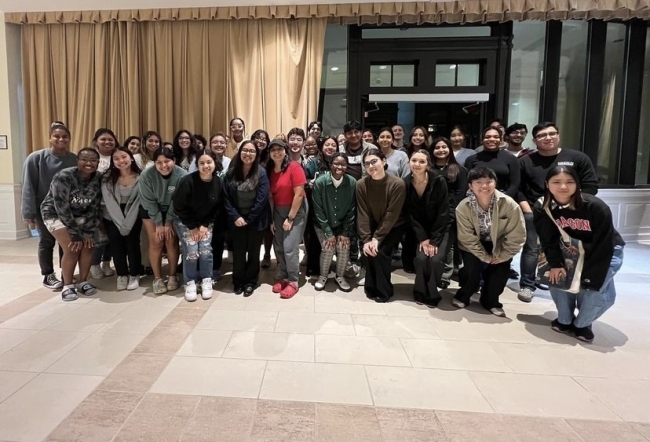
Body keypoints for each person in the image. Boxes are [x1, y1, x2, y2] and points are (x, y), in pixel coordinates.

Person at [534, 166, 624, 343]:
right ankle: (564, 320)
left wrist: (590, 277)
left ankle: (583, 324)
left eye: (569, 182)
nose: (563, 187)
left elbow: (603, 244)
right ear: (547, 184)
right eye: (556, 182)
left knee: (592, 290)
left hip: (602, 252)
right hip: (568, 249)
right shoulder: (543, 206)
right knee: (559, 281)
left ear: (577, 184)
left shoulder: (595, 206)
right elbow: (548, 238)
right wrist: (555, 264)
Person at [517, 121, 599, 303]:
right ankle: (527, 285)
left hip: (571, 213)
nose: (547, 138)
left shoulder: (577, 158)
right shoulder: (525, 162)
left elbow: (590, 186)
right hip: (537, 212)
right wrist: (527, 209)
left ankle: (567, 282)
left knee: (571, 249)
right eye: (542, 136)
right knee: (532, 249)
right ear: (534, 140)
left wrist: (571, 206)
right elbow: (518, 188)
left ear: (558, 135)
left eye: (551, 134)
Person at [453, 167, 526, 316]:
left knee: (500, 272)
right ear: (470, 186)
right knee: (471, 271)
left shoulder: (509, 204)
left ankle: (491, 301)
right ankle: (464, 295)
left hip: (500, 243)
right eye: (478, 182)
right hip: (472, 244)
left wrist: (504, 255)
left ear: (495, 183)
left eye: (488, 181)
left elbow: (517, 234)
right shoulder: (463, 206)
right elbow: (466, 236)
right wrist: (484, 256)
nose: (484, 186)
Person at [40, 148, 102, 301]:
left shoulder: (98, 178)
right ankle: (68, 285)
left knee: (89, 245)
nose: (89, 163)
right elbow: (62, 208)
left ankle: (83, 281)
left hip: (82, 215)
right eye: (84, 159)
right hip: (55, 214)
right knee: (72, 248)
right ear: (77, 161)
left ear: (98, 163)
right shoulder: (64, 176)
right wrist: (74, 234)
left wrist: (88, 231)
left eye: (93, 160)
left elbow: (94, 206)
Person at [22, 121, 77, 289]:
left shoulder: (74, 159)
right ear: (50, 138)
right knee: (46, 241)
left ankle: (65, 273)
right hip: (44, 210)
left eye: (65, 136)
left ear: (69, 139)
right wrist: (29, 213)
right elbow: (28, 186)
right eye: (57, 136)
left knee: (66, 243)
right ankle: (48, 275)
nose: (61, 139)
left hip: (67, 209)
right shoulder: (36, 158)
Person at [356, 148, 406, 302]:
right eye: (367, 164)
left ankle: (385, 291)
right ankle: (371, 287)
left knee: (381, 253)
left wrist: (376, 238)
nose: (371, 166)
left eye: (374, 161)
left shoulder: (397, 184)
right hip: (372, 223)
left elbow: (391, 215)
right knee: (369, 251)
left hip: (394, 225)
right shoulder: (361, 184)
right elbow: (362, 213)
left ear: (384, 161)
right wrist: (366, 239)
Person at [172, 149, 223, 302]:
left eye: (209, 162)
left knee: (206, 249)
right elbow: (179, 206)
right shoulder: (187, 181)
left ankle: (206, 279)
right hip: (185, 221)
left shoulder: (218, 182)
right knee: (192, 250)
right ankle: (190, 282)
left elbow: (217, 207)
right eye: (201, 163)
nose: (206, 166)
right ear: (197, 165)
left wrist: (205, 225)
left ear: (214, 163)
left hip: (205, 222)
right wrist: (193, 227)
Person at [403, 149, 449, 307]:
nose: (417, 164)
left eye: (421, 161)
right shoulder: (406, 182)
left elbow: (443, 213)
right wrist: (423, 238)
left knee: (435, 260)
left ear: (428, 164)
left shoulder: (438, 181)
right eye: (414, 160)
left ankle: (432, 291)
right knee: (421, 259)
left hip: (441, 229)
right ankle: (419, 290)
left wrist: (434, 240)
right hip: (420, 231)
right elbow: (410, 214)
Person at [224, 141, 271, 296]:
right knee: (238, 251)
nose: (248, 154)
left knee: (253, 251)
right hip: (236, 220)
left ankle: (251, 281)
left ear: (256, 155)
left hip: (256, 220)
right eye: (245, 150)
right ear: (240, 152)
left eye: (252, 151)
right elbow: (226, 197)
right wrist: (236, 217)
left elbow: (262, 199)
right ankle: (238, 281)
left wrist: (249, 218)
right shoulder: (231, 172)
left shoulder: (261, 172)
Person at [139, 146, 186, 294]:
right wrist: (159, 223)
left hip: (174, 209)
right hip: (152, 210)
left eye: (167, 161)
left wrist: (168, 222)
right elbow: (148, 201)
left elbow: (177, 200)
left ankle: (172, 276)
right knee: (156, 241)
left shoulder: (182, 175)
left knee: (171, 240)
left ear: (174, 160)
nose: (163, 166)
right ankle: (158, 278)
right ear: (154, 163)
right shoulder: (146, 175)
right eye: (158, 162)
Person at [267, 139, 307, 298]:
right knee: (278, 245)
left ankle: (293, 281)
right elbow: (270, 197)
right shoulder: (269, 169)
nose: (276, 152)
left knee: (289, 246)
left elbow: (298, 195)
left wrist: (290, 218)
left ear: (286, 151)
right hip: (277, 210)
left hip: (295, 210)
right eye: (273, 150)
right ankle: (283, 276)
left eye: (280, 149)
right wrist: (271, 218)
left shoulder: (294, 167)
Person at [312, 153, 356, 292]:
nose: (339, 167)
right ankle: (323, 276)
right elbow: (318, 210)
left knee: (344, 246)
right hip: (322, 223)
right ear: (330, 165)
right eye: (336, 163)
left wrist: (345, 232)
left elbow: (352, 209)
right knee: (328, 247)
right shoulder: (320, 182)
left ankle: (340, 276)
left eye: (343, 164)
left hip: (342, 224)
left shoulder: (352, 182)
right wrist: (328, 232)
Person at [101, 147, 142, 291]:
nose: (121, 161)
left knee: (133, 245)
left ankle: (134, 274)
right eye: (116, 158)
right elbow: (109, 202)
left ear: (131, 158)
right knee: (116, 246)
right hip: (111, 216)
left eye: (124, 157)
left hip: (134, 215)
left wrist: (127, 223)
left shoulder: (141, 177)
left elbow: (138, 202)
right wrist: (120, 223)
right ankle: (122, 275)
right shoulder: (107, 178)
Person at [430, 137, 468, 288]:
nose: (441, 150)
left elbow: (460, 194)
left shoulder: (459, 170)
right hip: (431, 214)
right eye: (437, 147)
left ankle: (446, 274)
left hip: (451, 214)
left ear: (450, 149)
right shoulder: (429, 169)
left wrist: (451, 214)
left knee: (449, 245)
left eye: (444, 147)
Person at [90, 128, 118, 280]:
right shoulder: (92, 157)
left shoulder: (118, 156)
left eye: (110, 139)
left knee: (111, 236)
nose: (107, 142)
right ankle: (94, 264)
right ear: (96, 141)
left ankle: (107, 262)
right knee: (98, 236)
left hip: (113, 203)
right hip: (95, 204)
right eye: (103, 139)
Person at [465, 126, 520, 199]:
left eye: (496, 137)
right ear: (482, 140)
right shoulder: (471, 159)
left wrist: (504, 201)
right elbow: (467, 183)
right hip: (477, 199)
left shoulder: (511, 159)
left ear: (500, 140)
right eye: (487, 137)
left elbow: (514, 184)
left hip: (503, 199)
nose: (492, 139)